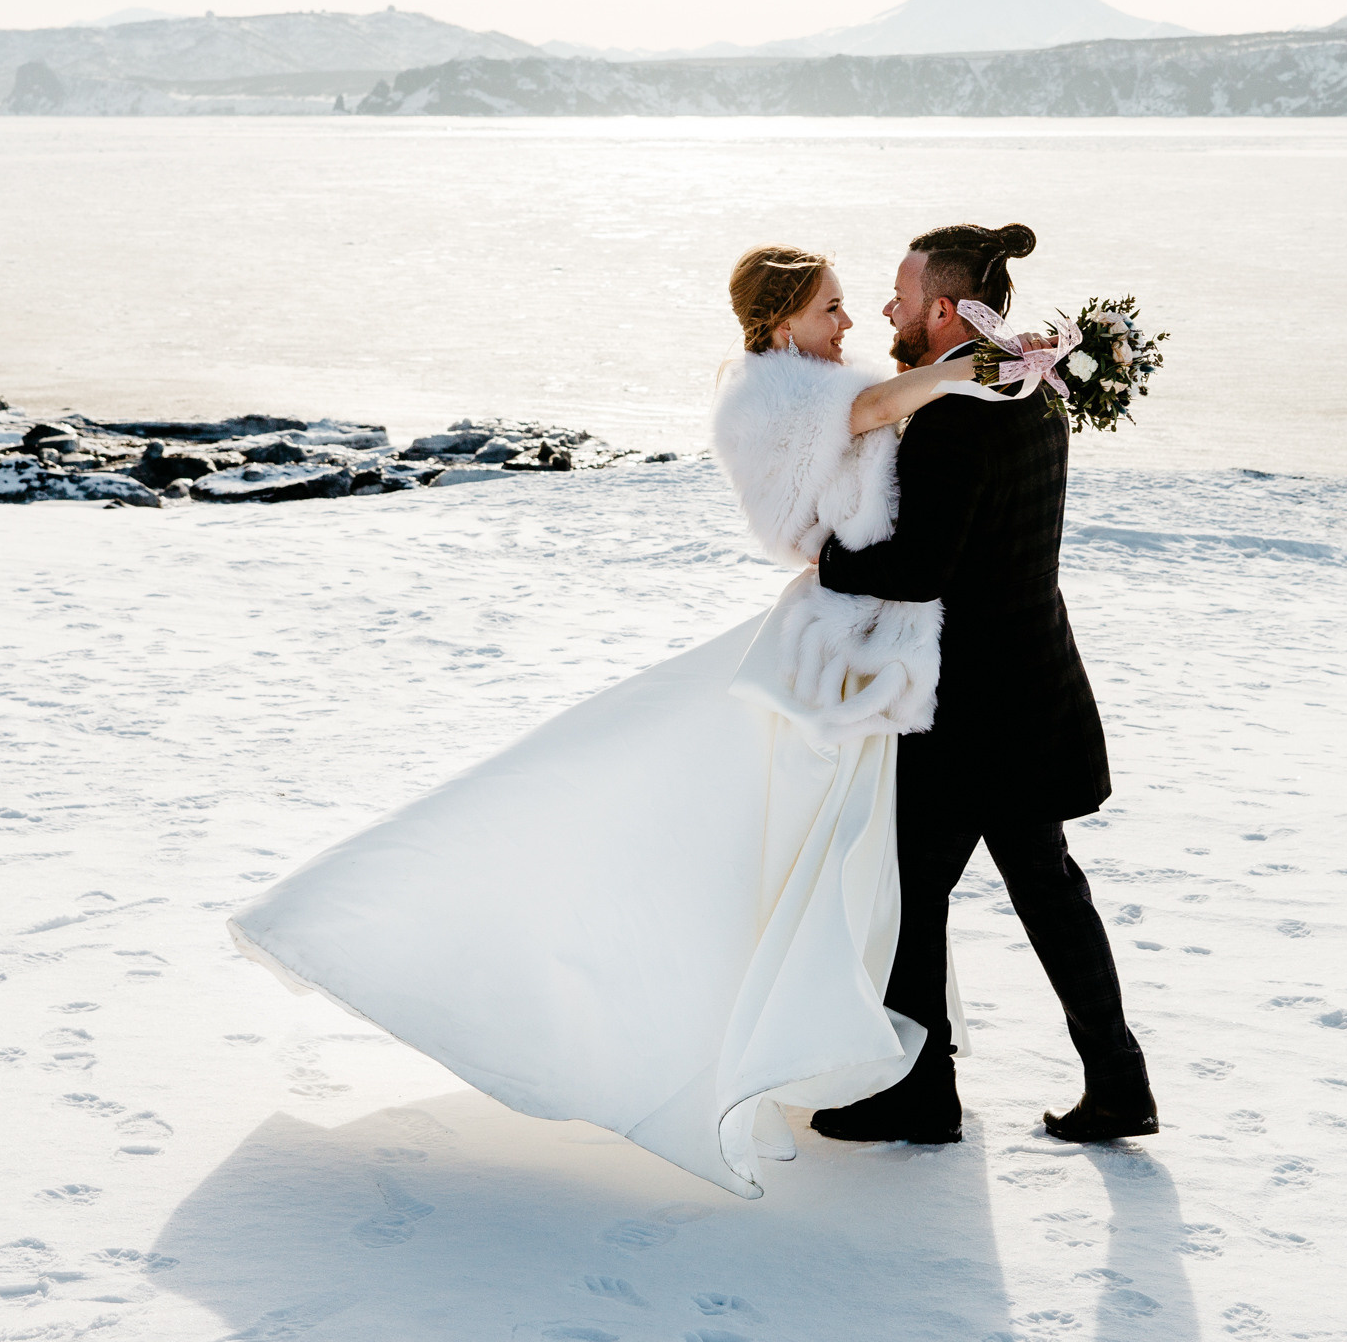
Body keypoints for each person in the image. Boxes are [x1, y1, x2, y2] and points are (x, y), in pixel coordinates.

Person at [227, 244, 982, 1199]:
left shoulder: (830, 380)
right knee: (797, 843)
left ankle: (869, 1058)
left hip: (862, 641)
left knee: (848, 853)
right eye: (832, 307)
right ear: (783, 320)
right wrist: (966, 370)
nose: (850, 321)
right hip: (830, 648)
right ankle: (797, 1049)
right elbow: (867, 417)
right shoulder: (766, 398)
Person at [808, 222, 1157, 1147]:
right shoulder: (1032, 390)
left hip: (968, 712)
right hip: (1037, 682)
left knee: (909, 892)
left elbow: (922, 569)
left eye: (901, 295)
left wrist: (827, 559)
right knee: (1048, 889)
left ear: (944, 310)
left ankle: (924, 1094)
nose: (888, 308)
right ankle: (1119, 1083)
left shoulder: (955, 417)